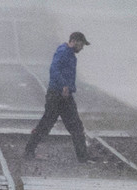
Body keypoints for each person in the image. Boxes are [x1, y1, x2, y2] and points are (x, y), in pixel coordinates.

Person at [24, 31, 91, 162]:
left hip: (65, 96)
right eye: (82, 44)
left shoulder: (70, 54)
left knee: (75, 126)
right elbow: (54, 69)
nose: (82, 48)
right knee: (47, 124)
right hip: (56, 95)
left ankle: (83, 157)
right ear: (75, 41)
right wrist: (63, 85)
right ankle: (29, 150)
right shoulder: (63, 51)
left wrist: (67, 87)